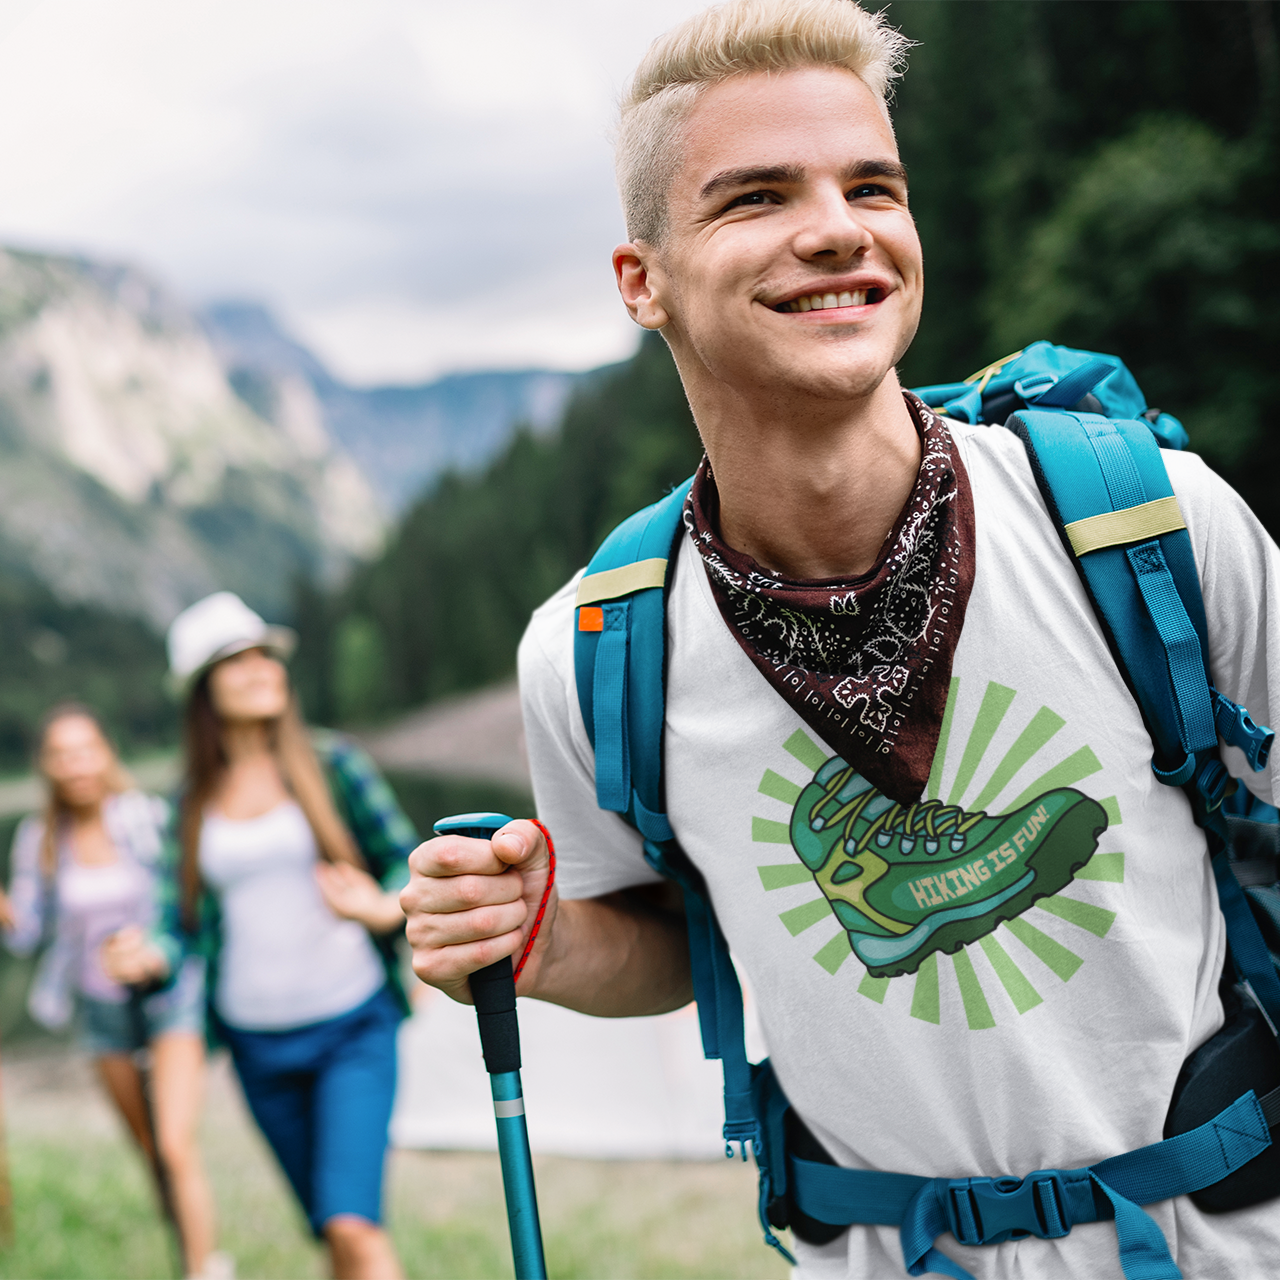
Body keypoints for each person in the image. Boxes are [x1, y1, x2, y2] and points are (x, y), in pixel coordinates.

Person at [399, 1, 1280, 1277]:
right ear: (640, 281)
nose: (836, 228)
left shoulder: (1141, 521)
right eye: (755, 197)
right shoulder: (592, 651)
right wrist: (534, 937)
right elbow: (665, 942)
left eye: (872, 184)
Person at [107, 592, 416, 1280]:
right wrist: (149, 954)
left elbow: (406, 860)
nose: (261, 668)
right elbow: (176, 926)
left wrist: (380, 905)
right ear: (202, 690)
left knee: (354, 1226)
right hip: (257, 1048)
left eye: (264, 655)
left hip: (352, 1028)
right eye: (236, 660)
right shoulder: (189, 803)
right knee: (330, 1234)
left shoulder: (333, 764)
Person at [3, 704, 229, 1280]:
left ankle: (207, 1269)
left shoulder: (145, 817)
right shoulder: (40, 840)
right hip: (99, 1010)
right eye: (60, 754)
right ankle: (189, 1254)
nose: (75, 763)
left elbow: (185, 904)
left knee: (176, 1145)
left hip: (167, 994)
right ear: (47, 766)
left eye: (85, 749)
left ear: (105, 753)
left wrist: (151, 945)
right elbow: (27, 934)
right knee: (152, 1154)